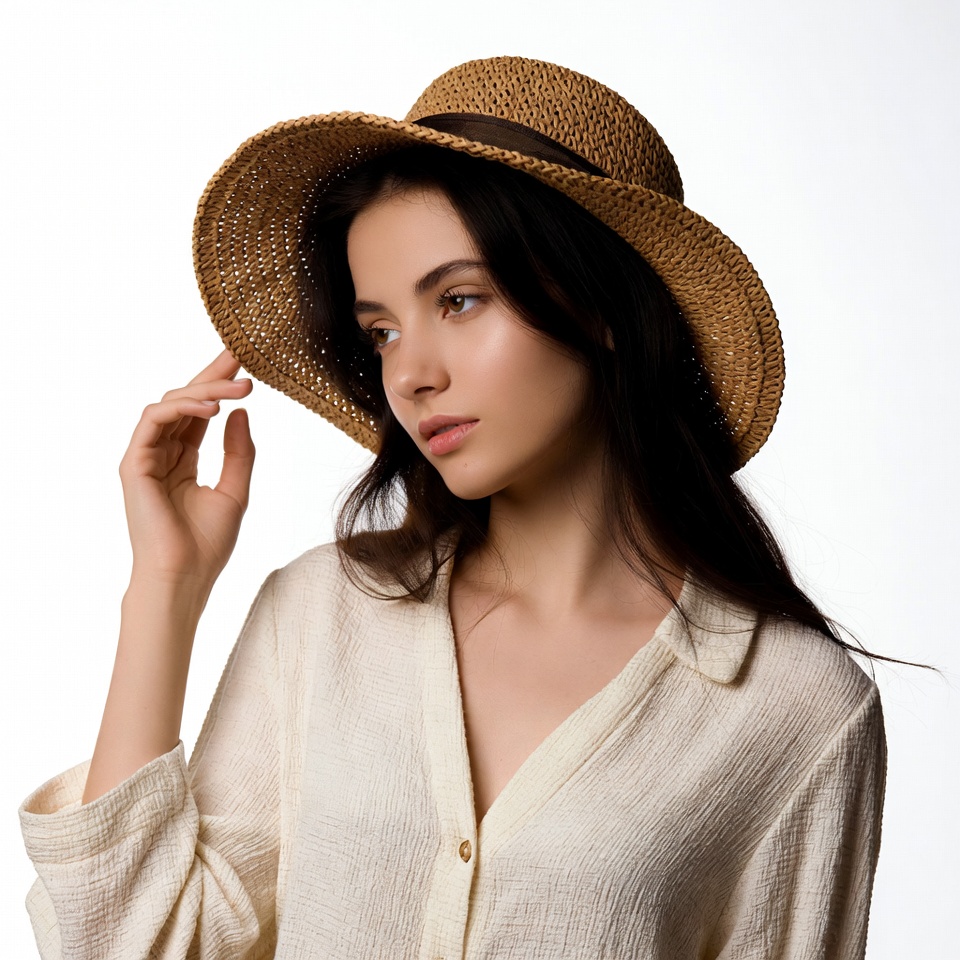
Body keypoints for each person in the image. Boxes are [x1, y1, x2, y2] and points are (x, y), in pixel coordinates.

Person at [19, 56, 886, 959]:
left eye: (460, 301)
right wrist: (165, 587)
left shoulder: (796, 711)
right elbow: (127, 944)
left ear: (603, 308)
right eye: (382, 330)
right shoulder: (323, 617)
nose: (411, 373)